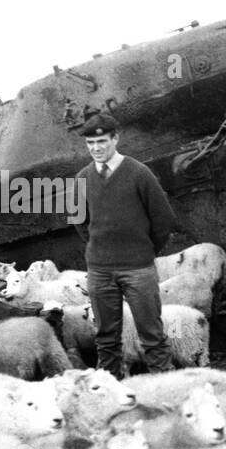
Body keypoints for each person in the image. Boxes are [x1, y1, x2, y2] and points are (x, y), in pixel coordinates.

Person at [71, 114, 179, 377]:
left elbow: (164, 219)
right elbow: (78, 222)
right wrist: (100, 248)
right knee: (106, 340)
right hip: (100, 272)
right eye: (90, 143)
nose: (96, 148)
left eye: (101, 141)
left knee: (152, 337)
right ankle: (112, 394)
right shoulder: (81, 179)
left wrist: (143, 250)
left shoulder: (139, 173)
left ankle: (165, 388)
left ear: (115, 139)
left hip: (138, 269)